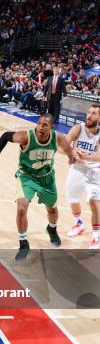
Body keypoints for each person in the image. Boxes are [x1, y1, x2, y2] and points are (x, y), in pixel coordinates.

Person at [0, 114, 75, 262]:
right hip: (26, 177)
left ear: (52, 127)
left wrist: (71, 158)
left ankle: (52, 228)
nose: (40, 127)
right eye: (39, 123)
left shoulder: (57, 138)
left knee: (52, 209)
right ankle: (23, 243)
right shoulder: (25, 137)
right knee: (22, 207)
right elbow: (5, 137)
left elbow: (67, 148)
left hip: (47, 178)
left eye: (45, 125)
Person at [66, 104, 100, 248]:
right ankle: (79, 224)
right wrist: (72, 154)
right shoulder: (78, 128)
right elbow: (65, 143)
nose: (89, 115)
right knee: (72, 198)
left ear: (99, 117)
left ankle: (96, 237)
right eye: (88, 112)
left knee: (94, 203)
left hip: (94, 171)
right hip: (77, 169)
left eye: (93, 113)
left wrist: (87, 157)